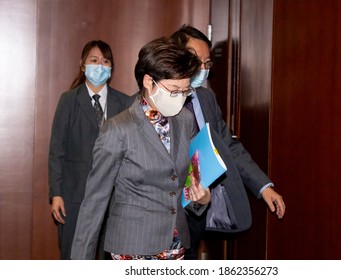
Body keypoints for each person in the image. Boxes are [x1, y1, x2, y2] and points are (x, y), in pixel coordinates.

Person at [70, 37, 211, 260]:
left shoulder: (184, 120)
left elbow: (185, 183)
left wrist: (201, 200)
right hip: (132, 246)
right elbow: (94, 202)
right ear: (148, 81)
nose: (180, 98)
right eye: (174, 91)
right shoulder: (118, 129)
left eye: (185, 92)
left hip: (175, 244)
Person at [170, 25, 286, 259]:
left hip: (198, 209)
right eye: (196, 61)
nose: (202, 70)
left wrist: (263, 187)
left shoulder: (206, 98)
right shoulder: (156, 100)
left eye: (207, 64)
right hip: (165, 213)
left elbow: (228, 145)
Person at [48, 40, 130, 260]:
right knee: (74, 255)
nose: (100, 66)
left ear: (111, 68)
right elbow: (57, 150)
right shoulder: (68, 101)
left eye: (105, 61)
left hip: (114, 196)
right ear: (83, 65)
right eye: (94, 61)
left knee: (108, 257)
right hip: (74, 194)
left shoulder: (124, 103)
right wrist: (56, 193)